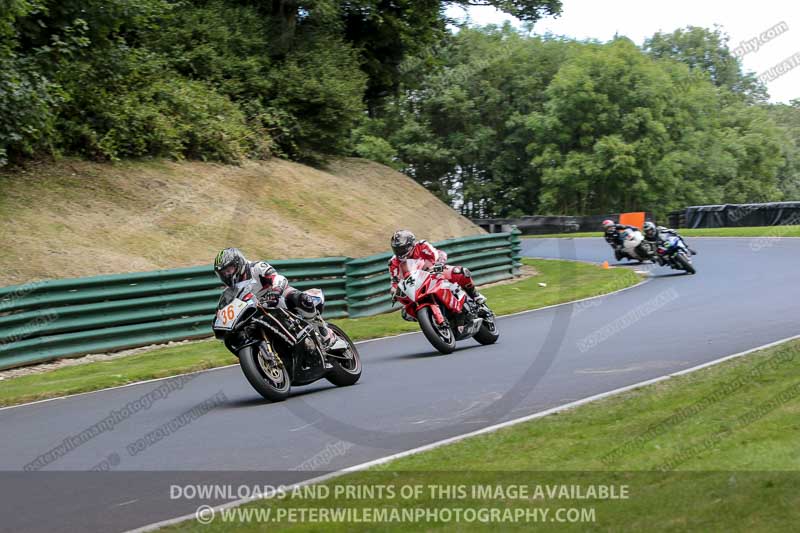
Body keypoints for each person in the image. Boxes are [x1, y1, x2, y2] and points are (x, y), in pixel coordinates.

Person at [213, 248, 346, 351]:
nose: (227, 274)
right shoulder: (229, 292)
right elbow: (225, 309)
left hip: (277, 299)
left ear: (238, 263)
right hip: (257, 313)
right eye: (223, 273)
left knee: (299, 298)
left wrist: (275, 291)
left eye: (228, 270)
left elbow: (278, 278)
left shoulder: (256, 267)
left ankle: (325, 334)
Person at [388, 230, 486, 317]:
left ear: (410, 245)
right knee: (406, 313)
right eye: (396, 249)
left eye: (402, 249)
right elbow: (394, 281)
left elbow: (436, 254)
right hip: (416, 285)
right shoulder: (393, 262)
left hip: (434, 272)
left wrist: (438, 264)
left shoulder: (422, 245)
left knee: (460, 272)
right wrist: (394, 291)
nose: (399, 252)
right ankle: (430, 317)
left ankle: (475, 296)